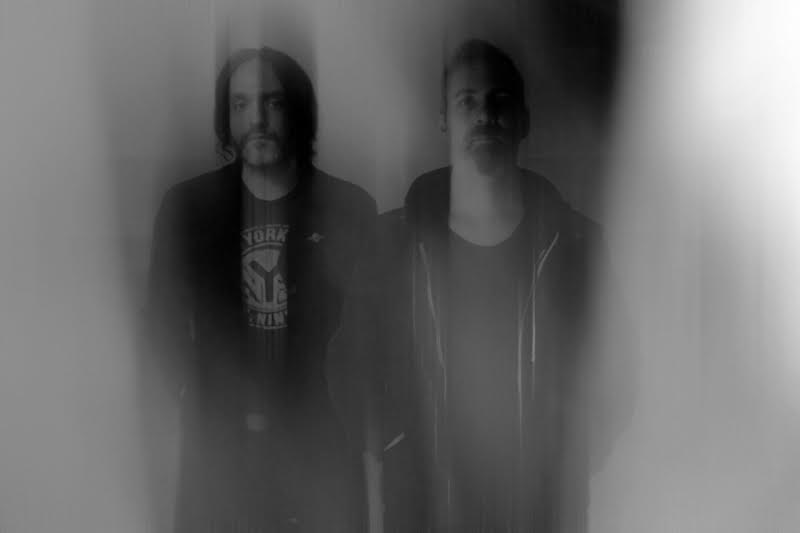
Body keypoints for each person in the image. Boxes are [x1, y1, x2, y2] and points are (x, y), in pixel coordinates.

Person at [331, 39, 633, 532]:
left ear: (523, 121)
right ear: (444, 121)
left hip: (540, 507)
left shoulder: (576, 243)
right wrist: (389, 443)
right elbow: (348, 362)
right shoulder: (394, 241)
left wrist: (575, 453)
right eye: (467, 102)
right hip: (424, 505)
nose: (484, 116)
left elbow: (618, 366)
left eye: (499, 101)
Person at [144, 46, 375, 533]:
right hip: (222, 454)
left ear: (298, 110)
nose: (258, 120)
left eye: (273, 102)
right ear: (225, 117)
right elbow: (160, 327)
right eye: (241, 104)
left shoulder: (347, 207)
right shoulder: (191, 208)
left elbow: (372, 335)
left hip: (319, 448)